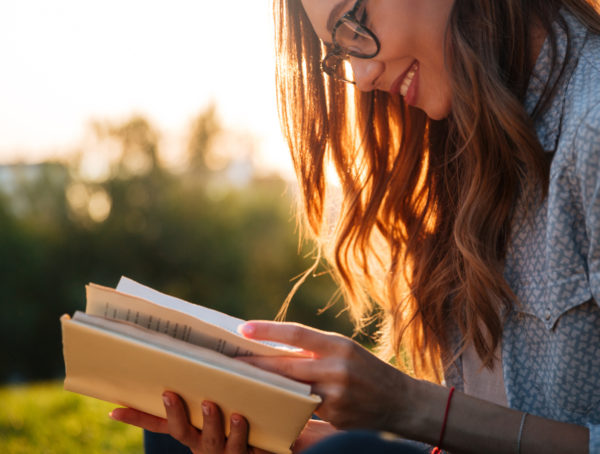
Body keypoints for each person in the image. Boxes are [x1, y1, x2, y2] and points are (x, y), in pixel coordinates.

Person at [109, 0, 600, 452]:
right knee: (183, 437)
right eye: (340, 51)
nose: (362, 77)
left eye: (356, 18)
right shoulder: (465, 150)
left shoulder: (591, 126)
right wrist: (299, 440)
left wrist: (409, 406)